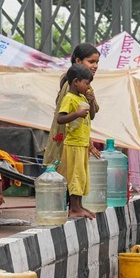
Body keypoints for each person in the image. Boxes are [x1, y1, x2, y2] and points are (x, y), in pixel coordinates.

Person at [43, 43, 101, 166]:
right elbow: (68, 121)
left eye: (97, 62)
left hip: (78, 142)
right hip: (69, 144)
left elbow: (90, 115)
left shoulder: (84, 86)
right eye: (91, 62)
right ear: (78, 61)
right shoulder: (71, 87)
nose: (95, 66)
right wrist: (89, 145)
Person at [56, 64, 95, 219]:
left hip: (82, 143)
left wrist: (91, 103)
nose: (89, 87)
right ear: (76, 82)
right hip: (73, 143)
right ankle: (74, 208)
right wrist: (76, 114)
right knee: (75, 176)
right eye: (87, 83)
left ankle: (79, 205)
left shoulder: (82, 97)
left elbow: (91, 116)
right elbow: (60, 118)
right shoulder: (69, 98)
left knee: (82, 176)